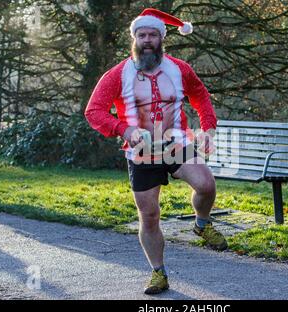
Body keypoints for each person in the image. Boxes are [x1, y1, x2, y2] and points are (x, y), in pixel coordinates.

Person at [84, 8, 227, 295]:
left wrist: (207, 128)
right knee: (149, 216)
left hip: (178, 144)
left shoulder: (180, 69)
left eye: (152, 35)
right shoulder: (117, 74)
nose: (147, 40)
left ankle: (201, 223)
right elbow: (94, 111)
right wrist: (123, 129)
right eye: (142, 35)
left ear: (161, 38)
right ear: (135, 39)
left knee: (206, 184)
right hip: (142, 153)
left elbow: (200, 94)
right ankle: (158, 273)